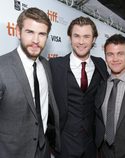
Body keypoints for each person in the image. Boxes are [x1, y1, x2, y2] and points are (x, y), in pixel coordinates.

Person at [0, 7, 60, 158]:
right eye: (30, 32)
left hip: (44, 150)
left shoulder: (46, 66)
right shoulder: (2, 67)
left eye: (42, 34)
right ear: (18, 32)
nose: (35, 40)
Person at [49, 16, 109, 158]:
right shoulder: (54, 65)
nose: (81, 42)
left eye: (86, 36)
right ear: (70, 37)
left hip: (91, 143)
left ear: (94, 39)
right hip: (64, 143)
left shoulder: (100, 64)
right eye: (76, 36)